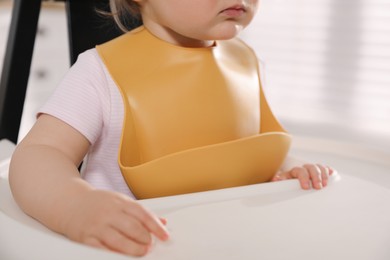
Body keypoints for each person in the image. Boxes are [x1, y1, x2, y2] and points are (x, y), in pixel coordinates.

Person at [9, 0, 334, 257]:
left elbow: (251, 150)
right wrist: (75, 206)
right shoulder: (98, 73)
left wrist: (287, 172)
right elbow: (39, 154)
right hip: (136, 247)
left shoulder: (249, 64)